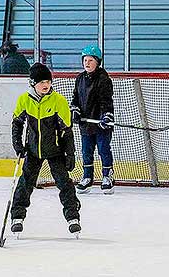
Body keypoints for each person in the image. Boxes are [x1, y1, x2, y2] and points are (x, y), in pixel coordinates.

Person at [10, 62, 81, 236]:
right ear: (33, 83)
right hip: (33, 150)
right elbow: (17, 124)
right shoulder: (24, 100)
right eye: (42, 82)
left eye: (48, 81)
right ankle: (17, 217)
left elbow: (66, 131)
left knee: (64, 184)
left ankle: (73, 217)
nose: (46, 85)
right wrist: (18, 144)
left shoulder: (59, 101)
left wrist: (69, 153)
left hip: (55, 151)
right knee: (25, 183)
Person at [70, 45, 115, 194]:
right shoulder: (80, 78)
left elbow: (106, 101)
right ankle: (87, 177)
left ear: (98, 62)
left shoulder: (103, 79)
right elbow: (75, 98)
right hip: (86, 124)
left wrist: (106, 116)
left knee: (103, 150)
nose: (87, 63)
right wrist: (75, 111)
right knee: (86, 151)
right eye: (85, 60)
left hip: (101, 124)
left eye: (90, 60)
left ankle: (107, 176)